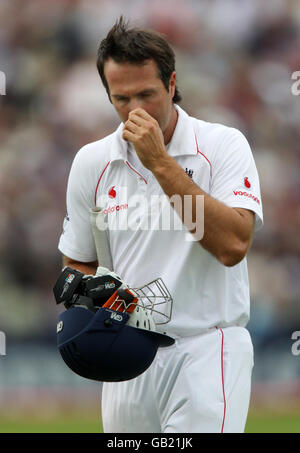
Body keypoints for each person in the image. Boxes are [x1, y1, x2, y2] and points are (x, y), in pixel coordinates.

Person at [57, 17, 263, 433]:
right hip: (128, 352)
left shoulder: (222, 146)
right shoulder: (92, 162)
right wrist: (85, 292)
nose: (134, 111)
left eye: (147, 95)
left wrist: (160, 163)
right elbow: (77, 262)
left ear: (171, 84)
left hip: (207, 348)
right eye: (121, 98)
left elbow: (232, 245)